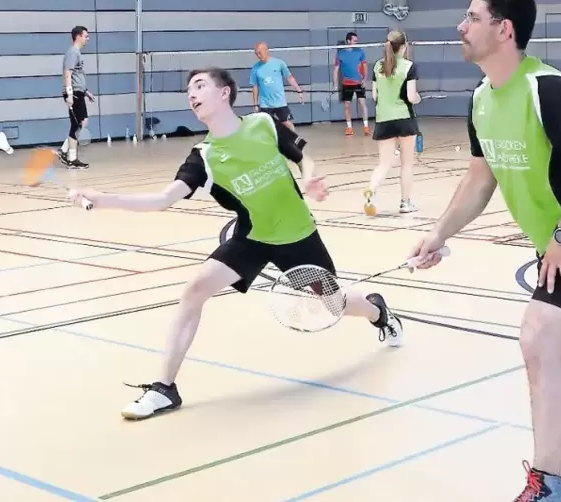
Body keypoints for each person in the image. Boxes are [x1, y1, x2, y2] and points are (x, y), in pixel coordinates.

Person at [407, 1, 561, 500]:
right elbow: (480, 179)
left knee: (538, 336)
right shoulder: (481, 99)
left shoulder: (549, 90)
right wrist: (439, 233)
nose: (461, 26)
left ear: (504, 28)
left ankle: (548, 485)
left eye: (472, 17)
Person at [66, 67, 405, 421]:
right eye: (188, 90)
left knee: (334, 304)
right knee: (194, 290)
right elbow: (163, 199)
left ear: (225, 92)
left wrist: (308, 181)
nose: (191, 94)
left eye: (200, 86)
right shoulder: (205, 156)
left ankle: (378, 310)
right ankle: (164, 387)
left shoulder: (263, 124)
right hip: (252, 237)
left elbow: (303, 156)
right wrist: (103, 198)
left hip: (297, 234)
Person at [364, 30, 421, 216]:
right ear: (404, 46)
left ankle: (371, 189)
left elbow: (374, 96)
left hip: (383, 120)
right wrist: (418, 98)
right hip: (404, 119)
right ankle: (405, 203)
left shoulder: (377, 67)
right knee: (406, 164)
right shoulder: (409, 66)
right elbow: (411, 97)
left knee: (384, 164)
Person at [58, 25, 94, 169]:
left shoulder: (77, 53)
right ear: (78, 36)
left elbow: (77, 76)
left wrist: (86, 92)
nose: (88, 39)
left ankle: (65, 152)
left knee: (80, 122)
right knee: (79, 123)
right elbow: (68, 73)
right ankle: (70, 157)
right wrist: (69, 93)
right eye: (86, 36)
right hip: (74, 93)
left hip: (79, 92)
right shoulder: (73, 52)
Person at [250, 41, 305, 132]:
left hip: (280, 101)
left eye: (260, 53)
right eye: (256, 54)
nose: (259, 56)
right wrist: (255, 104)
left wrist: (299, 91)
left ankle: (294, 141)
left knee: (286, 122)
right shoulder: (255, 68)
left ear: (266, 50)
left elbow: (290, 78)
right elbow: (255, 86)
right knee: (265, 125)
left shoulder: (279, 63)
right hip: (265, 103)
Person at [333, 31, 370, 136]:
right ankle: (349, 128)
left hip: (359, 83)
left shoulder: (360, 52)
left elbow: (365, 66)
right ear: (348, 41)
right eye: (354, 41)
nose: (356, 43)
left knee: (362, 104)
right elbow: (336, 69)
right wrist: (335, 83)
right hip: (346, 83)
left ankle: (366, 126)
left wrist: (365, 79)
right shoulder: (340, 54)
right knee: (347, 106)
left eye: (356, 41)